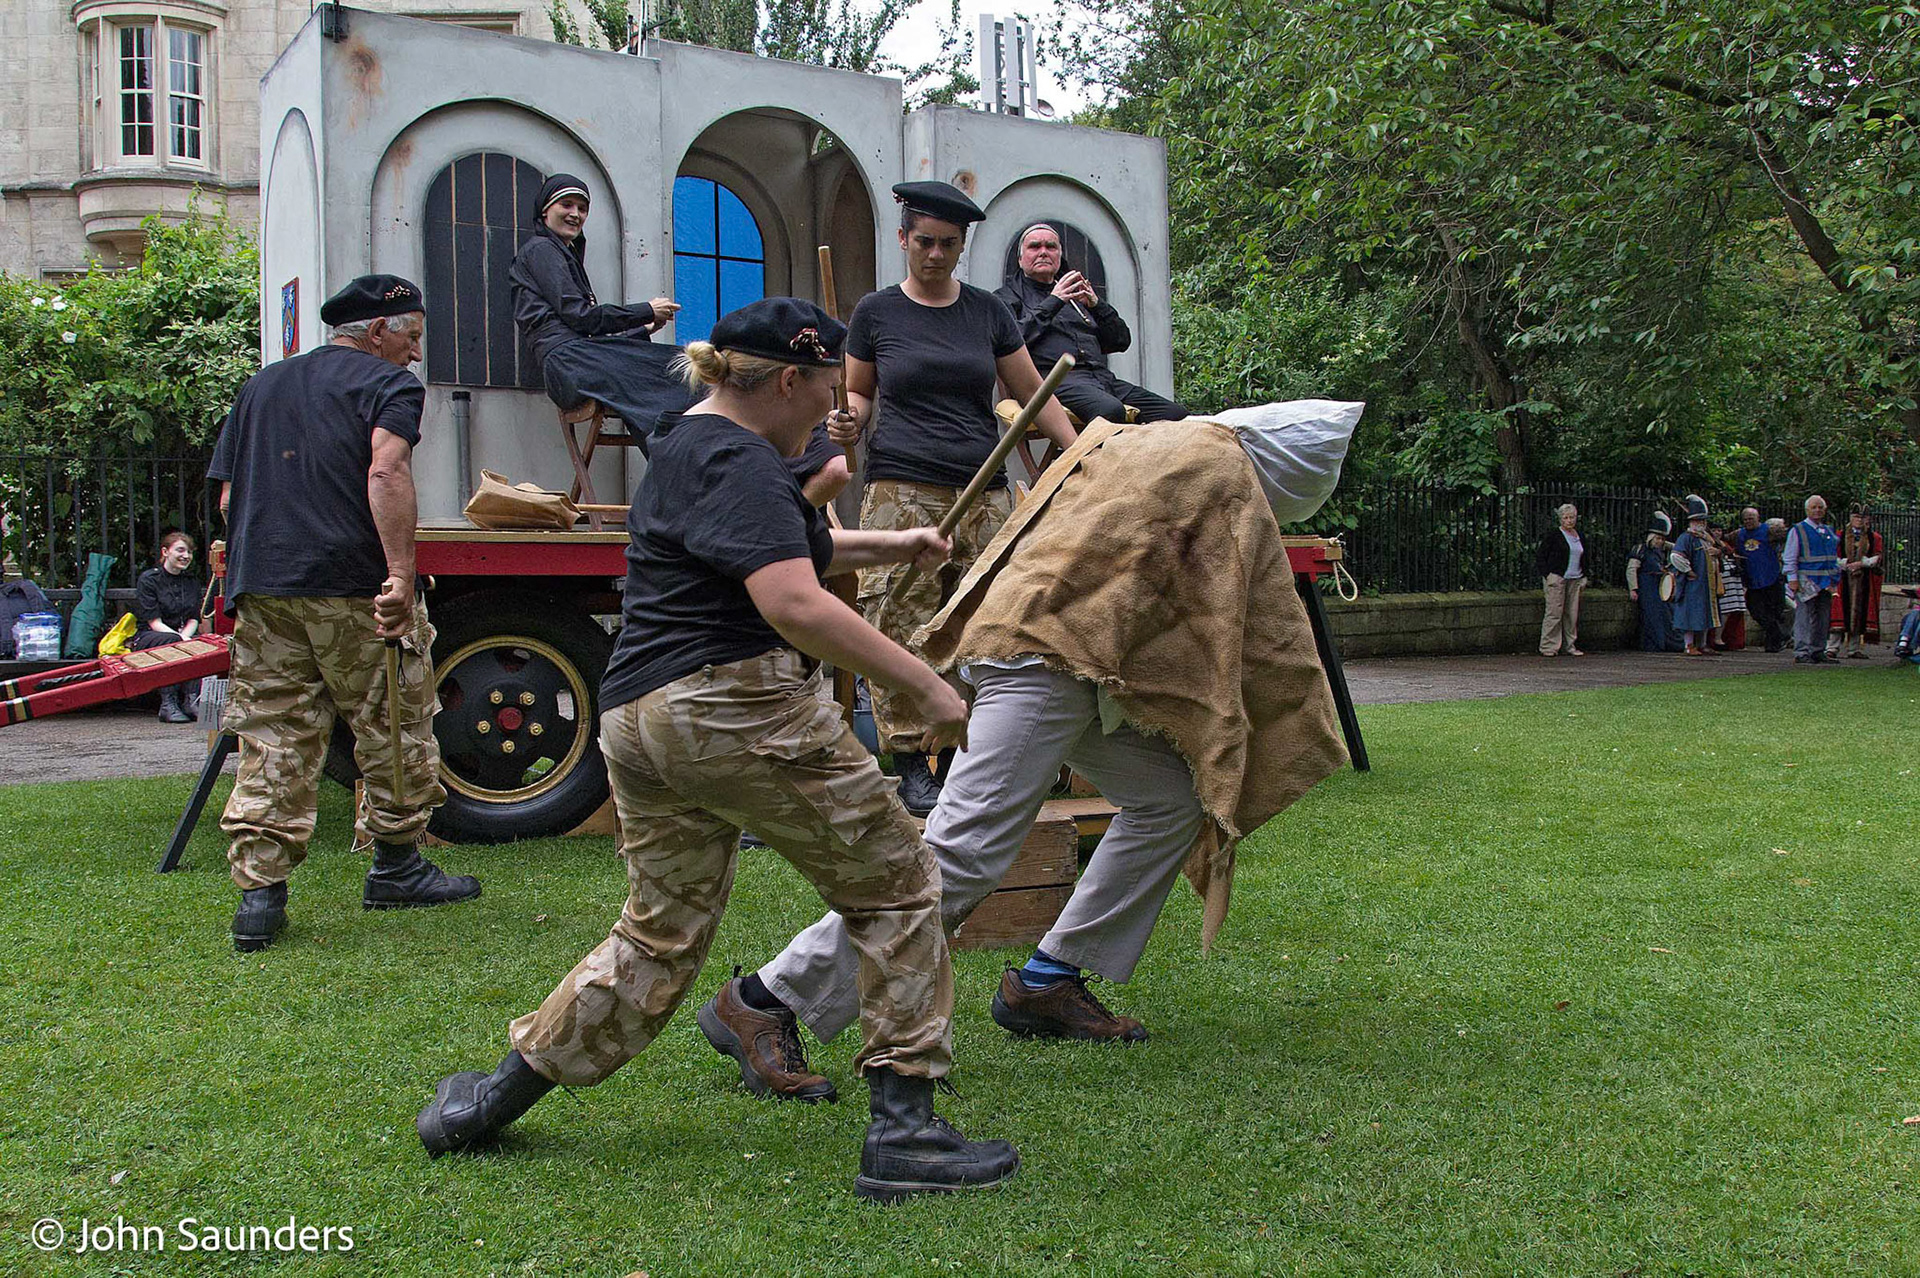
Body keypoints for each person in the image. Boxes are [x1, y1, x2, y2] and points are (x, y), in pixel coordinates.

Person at [414, 298, 1019, 1202]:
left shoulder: (692, 441)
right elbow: (794, 603)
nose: (833, 411)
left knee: (658, 932)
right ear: (785, 379)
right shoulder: (741, 459)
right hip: (736, 708)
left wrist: (897, 539)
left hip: (642, 721)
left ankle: (487, 1103)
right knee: (899, 886)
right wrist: (927, 688)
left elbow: (778, 550)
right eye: (824, 392)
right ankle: (907, 1132)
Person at [696, 405, 1353, 1098]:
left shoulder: (1151, 445)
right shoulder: (1215, 468)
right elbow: (1227, 609)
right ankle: (766, 999)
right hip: (1041, 656)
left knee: (1171, 798)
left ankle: (1048, 980)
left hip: (1057, 650)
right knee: (963, 852)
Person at [208, 274, 481, 953]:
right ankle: (396, 867)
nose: (416, 353)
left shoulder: (261, 387)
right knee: (393, 721)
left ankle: (259, 900)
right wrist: (398, 574)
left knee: (273, 734)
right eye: (412, 336)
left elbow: (227, 498)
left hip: (263, 585)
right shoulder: (388, 387)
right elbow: (386, 472)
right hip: (351, 584)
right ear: (378, 332)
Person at [836, 181, 1077, 815]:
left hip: (983, 487)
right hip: (899, 489)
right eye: (924, 242)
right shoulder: (876, 313)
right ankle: (914, 760)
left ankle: (991, 752)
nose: (935, 255)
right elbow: (858, 394)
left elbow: (1033, 392)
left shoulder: (988, 314)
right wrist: (847, 422)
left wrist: (1081, 451)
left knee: (996, 621)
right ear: (903, 239)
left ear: (962, 246)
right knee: (899, 620)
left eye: (948, 244)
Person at [509, 173, 691, 451]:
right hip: (570, 364)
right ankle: (675, 460)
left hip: (575, 363)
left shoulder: (556, 253)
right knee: (680, 369)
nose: (576, 214)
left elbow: (582, 325)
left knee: (669, 377)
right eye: (566, 205)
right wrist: (646, 310)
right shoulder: (541, 250)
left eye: (582, 209)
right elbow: (581, 318)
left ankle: (670, 459)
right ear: (545, 210)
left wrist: (642, 330)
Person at [993, 221, 1188, 425]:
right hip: (1051, 383)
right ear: (1020, 258)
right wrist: (1054, 302)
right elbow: (1009, 343)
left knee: (1176, 414)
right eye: (1035, 247)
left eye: (1051, 247)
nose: (1043, 252)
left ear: (1059, 255)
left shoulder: (1077, 296)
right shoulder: (1004, 298)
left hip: (1102, 380)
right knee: (1109, 411)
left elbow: (1120, 341)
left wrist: (1096, 305)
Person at [131, 530, 207, 722]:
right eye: (180, 550)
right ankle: (168, 703)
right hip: (151, 636)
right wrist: (181, 639)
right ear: (165, 552)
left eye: (189, 552)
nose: (186, 556)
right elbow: (154, 622)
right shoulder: (149, 579)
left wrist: (187, 638)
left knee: (203, 643)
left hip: (183, 635)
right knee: (171, 641)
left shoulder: (191, 581)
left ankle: (192, 701)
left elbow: (194, 618)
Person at [1781, 494, 1840, 664]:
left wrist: (1835, 578)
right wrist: (1792, 578)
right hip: (1806, 579)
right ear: (1807, 510)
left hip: (1826, 581)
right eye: (1814, 507)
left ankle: (1818, 650)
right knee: (1804, 616)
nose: (1817, 510)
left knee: (1822, 617)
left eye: (1820, 507)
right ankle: (1802, 651)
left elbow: (1833, 557)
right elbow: (1790, 555)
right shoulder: (1798, 530)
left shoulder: (1828, 530)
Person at [1669, 496, 1720, 656]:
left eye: (1703, 521)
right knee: (1690, 615)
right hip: (1693, 583)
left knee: (1705, 614)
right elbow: (1676, 557)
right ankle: (1689, 645)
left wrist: (1717, 552)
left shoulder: (1705, 540)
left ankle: (1703, 644)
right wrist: (1689, 571)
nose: (1702, 524)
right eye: (1699, 521)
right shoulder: (1686, 538)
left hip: (1706, 583)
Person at [1535, 503, 1587, 657]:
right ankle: (1549, 646)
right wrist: (1548, 574)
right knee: (1554, 612)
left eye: (1572, 517)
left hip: (1575, 578)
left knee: (1572, 614)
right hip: (1557, 577)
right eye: (1566, 518)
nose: (1569, 520)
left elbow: (1586, 556)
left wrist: (1585, 575)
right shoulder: (1554, 535)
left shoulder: (1580, 536)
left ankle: (1569, 645)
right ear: (1560, 519)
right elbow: (1541, 556)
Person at [1625, 512, 1682, 652]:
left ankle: (1667, 643)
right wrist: (1633, 588)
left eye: (1662, 539)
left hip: (1659, 585)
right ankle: (1654, 644)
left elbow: (1675, 547)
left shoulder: (1659, 550)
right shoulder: (1641, 549)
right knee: (1651, 616)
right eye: (1658, 538)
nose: (1660, 541)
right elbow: (1631, 569)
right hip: (1646, 586)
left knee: (1665, 615)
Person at [1834, 504, 1885, 659]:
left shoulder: (1874, 537)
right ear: (1851, 518)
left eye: (1862, 517)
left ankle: (1854, 648)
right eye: (1856, 517)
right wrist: (1846, 564)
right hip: (1843, 579)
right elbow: (1832, 555)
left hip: (1863, 580)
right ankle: (1832, 647)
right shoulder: (1839, 535)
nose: (1859, 520)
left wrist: (1862, 563)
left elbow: (1878, 556)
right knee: (1838, 612)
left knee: (1859, 614)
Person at [1735, 507, 1788, 653]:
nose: (1748, 522)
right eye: (1745, 519)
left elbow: (1787, 537)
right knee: (1756, 611)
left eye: (1751, 518)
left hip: (1771, 576)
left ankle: (1773, 643)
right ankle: (1779, 636)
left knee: (1774, 611)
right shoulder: (1740, 535)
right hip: (1753, 580)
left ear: (1758, 518)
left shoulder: (1769, 530)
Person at [1712, 524, 1747, 651]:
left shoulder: (1725, 543)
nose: (1717, 532)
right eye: (1714, 530)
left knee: (1735, 609)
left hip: (1733, 577)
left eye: (1719, 530)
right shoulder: (1711, 544)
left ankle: (1730, 638)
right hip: (1723, 577)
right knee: (1725, 609)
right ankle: (1717, 638)